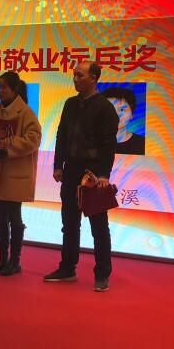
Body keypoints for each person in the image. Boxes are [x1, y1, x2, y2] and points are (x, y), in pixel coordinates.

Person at [45, 61, 119, 292]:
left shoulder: (105, 107)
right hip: (70, 171)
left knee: (99, 226)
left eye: (80, 75)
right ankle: (68, 268)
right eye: (74, 75)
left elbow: (108, 145)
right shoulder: (70, 104)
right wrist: (58, 165)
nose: (75, 79)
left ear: (93, 78)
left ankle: (102, 274)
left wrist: (103, 174)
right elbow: (61, 136)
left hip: (93, 175)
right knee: (69, 223)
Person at [0, 71, 41, 276]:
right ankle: (2, 259)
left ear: (14, 89)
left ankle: (15, 260)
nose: (0, 91)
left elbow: (34, 139)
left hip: (14, 171)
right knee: (0, 216)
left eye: (4, 87)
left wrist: (10, 143)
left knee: (14, 216)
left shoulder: (25, 112)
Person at [101, 86, 145, 155]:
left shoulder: (143, 144)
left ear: (132, 115)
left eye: (122, 110)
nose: (115, 114)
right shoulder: (89, 142)